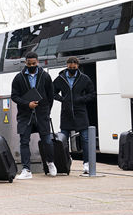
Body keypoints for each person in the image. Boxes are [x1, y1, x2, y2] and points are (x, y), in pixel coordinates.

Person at [11, 51, 56, 179]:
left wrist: (47, 111)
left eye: (34, 63)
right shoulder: (19, 77)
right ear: (25, 63)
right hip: (25, 115)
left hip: (42, 115)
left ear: (38, 62)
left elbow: (50, 96)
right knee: (24, 141)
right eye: (29, 64)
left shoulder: (45, 76)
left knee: (47, 140)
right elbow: (14, 96)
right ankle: (26, 169)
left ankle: (50, 162)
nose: (31, 66)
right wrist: (27, 104)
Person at [53, 56, 96, 174]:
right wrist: (62, 99)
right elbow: (52, 92)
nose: (72, 69)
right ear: (67, 66)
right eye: (70, 67)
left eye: (74, 67)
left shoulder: (84, 78)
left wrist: (81, 99)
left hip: (80, 112)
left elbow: (92, 94)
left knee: (85, 139)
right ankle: (64, 162)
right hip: (66, 113)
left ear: (77, 66)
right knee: (63, 141)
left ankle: (87, 163)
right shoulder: (60, 78)